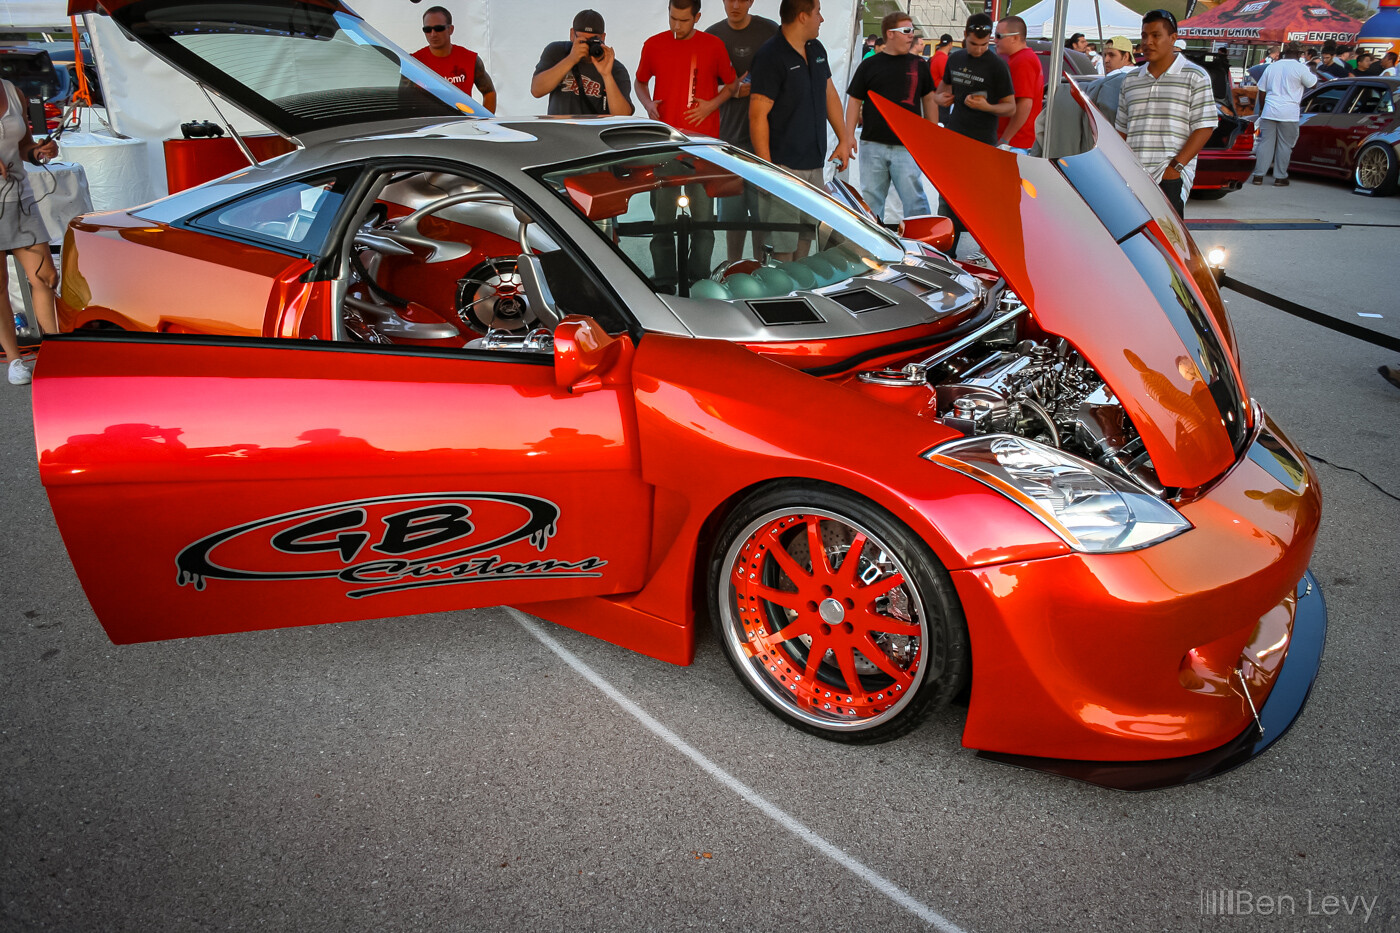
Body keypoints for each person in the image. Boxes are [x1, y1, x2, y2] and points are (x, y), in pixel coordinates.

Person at [636, 0, 736, 288]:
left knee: (704, 223)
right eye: (672, 19)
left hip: (702, 148)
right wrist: (647, 104)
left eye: (683, 20)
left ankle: (699, 280)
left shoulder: (713, 45)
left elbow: (731, 85)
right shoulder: (654, 45)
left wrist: (710, 106)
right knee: (662, 223)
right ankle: (666, 282)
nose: (677, 26)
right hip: (665, 145)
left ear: (697, 17)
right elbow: (640, 81)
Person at [749, 0, 853, 261]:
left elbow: (829, 94)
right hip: (784, 168)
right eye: (818, 13)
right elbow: (757, 115)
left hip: (814, 164)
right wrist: (768, 170)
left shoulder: (816, 49)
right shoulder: (770, 55)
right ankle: (781, 298)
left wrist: (844, 138)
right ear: (803, 16)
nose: (822, 19)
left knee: (805, 239)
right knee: (782, 245)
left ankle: (801, 296)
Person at [1115, 9, 1216, 217]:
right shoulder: (1131, 79)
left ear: (1173, 39)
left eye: (1155, 35)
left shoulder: (1195, 76)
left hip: (1168, 176)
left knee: (1169, 244)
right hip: (1132, 177)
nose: (1148, 42)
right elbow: (1122, 130)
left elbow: (1204, 127)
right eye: (1144, 36)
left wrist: (1175, 168)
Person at [932, 12, 1014, 261]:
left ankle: (985, 253)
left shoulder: (997, 65)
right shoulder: (954, 59)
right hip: (955, 136)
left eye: (983, 44)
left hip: (982, 141)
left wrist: (987, 107)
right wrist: (940, 98)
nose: (978, 50)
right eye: (973, 44)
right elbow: (941, 91)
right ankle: (946, 252)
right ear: (964, 37)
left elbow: (1010, 107)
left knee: (979, 200)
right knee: (947, 196)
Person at [844, 11, 936, 226]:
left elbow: (929, 99)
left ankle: (927, 248)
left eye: (912, 31)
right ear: (890, 34)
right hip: (873, 144)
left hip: (907, 146)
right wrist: (848, 136)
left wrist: (932, 135)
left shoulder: (919, 65)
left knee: (915, 201)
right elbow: (854, 101)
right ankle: (871, 252)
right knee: (871, 202)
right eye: (906, 31)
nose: (911, 35)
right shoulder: (869, 65)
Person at [706, 0, 779, 260]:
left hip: (766, 143)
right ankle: (733, 269)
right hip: (727, 141)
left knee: (763, 218)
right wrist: (730, 90)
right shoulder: (712, 35)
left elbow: (785, 78)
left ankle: (762, 270)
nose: (735, 5)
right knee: (732, 218)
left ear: (751, 1)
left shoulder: (770, 31)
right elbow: (700, 91)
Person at [0, 77, 58, 386]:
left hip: (19, 198)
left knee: (46, 276)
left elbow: (23, 145)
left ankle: (54, 351)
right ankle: (14, 360)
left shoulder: (12, 91)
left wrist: (40, 151)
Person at [531, 10, 634, 116]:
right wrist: (571, 59)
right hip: (559, 131)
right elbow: (537, 90)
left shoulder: (615, 68)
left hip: (594, 131)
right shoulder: (558, 52)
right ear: (572, 34)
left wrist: (607, 75)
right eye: (582, 40)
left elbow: (623, 116)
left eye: (593, 40)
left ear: (603, 38)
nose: (587, 45)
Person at [1251, 42, 1316, 187]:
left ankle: (1258, 176)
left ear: (1283, 53)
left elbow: (1262, 91)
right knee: (1285, 145)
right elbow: (1313, 85)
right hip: (1289, 113)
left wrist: (1262, 109)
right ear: (1299, 54)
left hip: (1269, 110)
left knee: (1265, 143)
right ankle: (1280, 177)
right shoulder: (1301, 68)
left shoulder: (1272, 67)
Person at [412, 6, 496, 113]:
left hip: (462, 126)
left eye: (438, 28)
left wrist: (484, 123)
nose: (433, 34)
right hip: (428, 127)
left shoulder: (470, 59)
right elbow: (401, 100)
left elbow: (489, 92)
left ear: (450, 29)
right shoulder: (414, 62)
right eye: (427, 30)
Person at [994, 15, 1043, 151]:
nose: (995, 39)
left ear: (1015, 38)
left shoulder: (1023, 61)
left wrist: (1005, 139)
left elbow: (1024, 104)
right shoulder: (1021, 58)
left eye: (998, 36)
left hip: (1015, 143)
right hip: (1016, 142)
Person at [1085, 36, 1137, 126]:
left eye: (1111, 55)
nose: (1106, 60)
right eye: (1104, 55)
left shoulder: (1120, 75)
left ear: (1126, 56)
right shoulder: (1139, 73)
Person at [930, 34, 955, 123]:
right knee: (943, 123)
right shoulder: (943, 58)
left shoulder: (936, 56)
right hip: (941, 96)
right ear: (950, 44)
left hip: (936, 95)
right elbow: (947, 80)